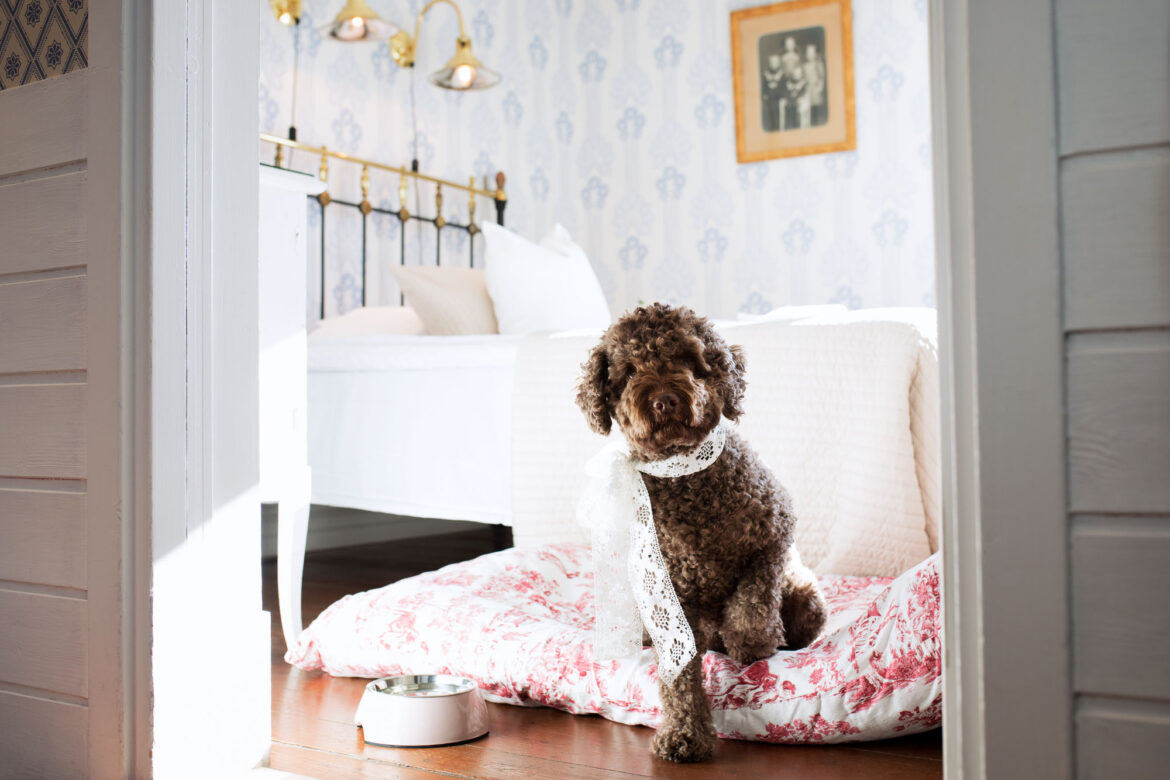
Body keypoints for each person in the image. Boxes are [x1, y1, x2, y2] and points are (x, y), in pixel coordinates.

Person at [761, 52, 785, 132]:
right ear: (769, 63)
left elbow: (783, 87)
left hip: (778, 99)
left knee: (779, 116)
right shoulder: (766, 74)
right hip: (770, 99)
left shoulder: (782, 74)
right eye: (772, 62)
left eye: (775, 62)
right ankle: (772, 129)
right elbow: (764, 85)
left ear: (778, 63)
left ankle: (779, 129)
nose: (773, 64)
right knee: (770, 115)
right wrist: (765, 94)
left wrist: (783, 97)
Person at [804, 43, 827, 126]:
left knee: (815, 107)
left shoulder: (818, 64)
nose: (809, 55)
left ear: (815, 54)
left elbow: (821, 77)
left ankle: (816, 123)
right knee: (808, 108)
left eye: (811, 53)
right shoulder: (805, 65)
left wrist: (820, 86)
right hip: (808, 89)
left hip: (815, 88)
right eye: (808, 53)